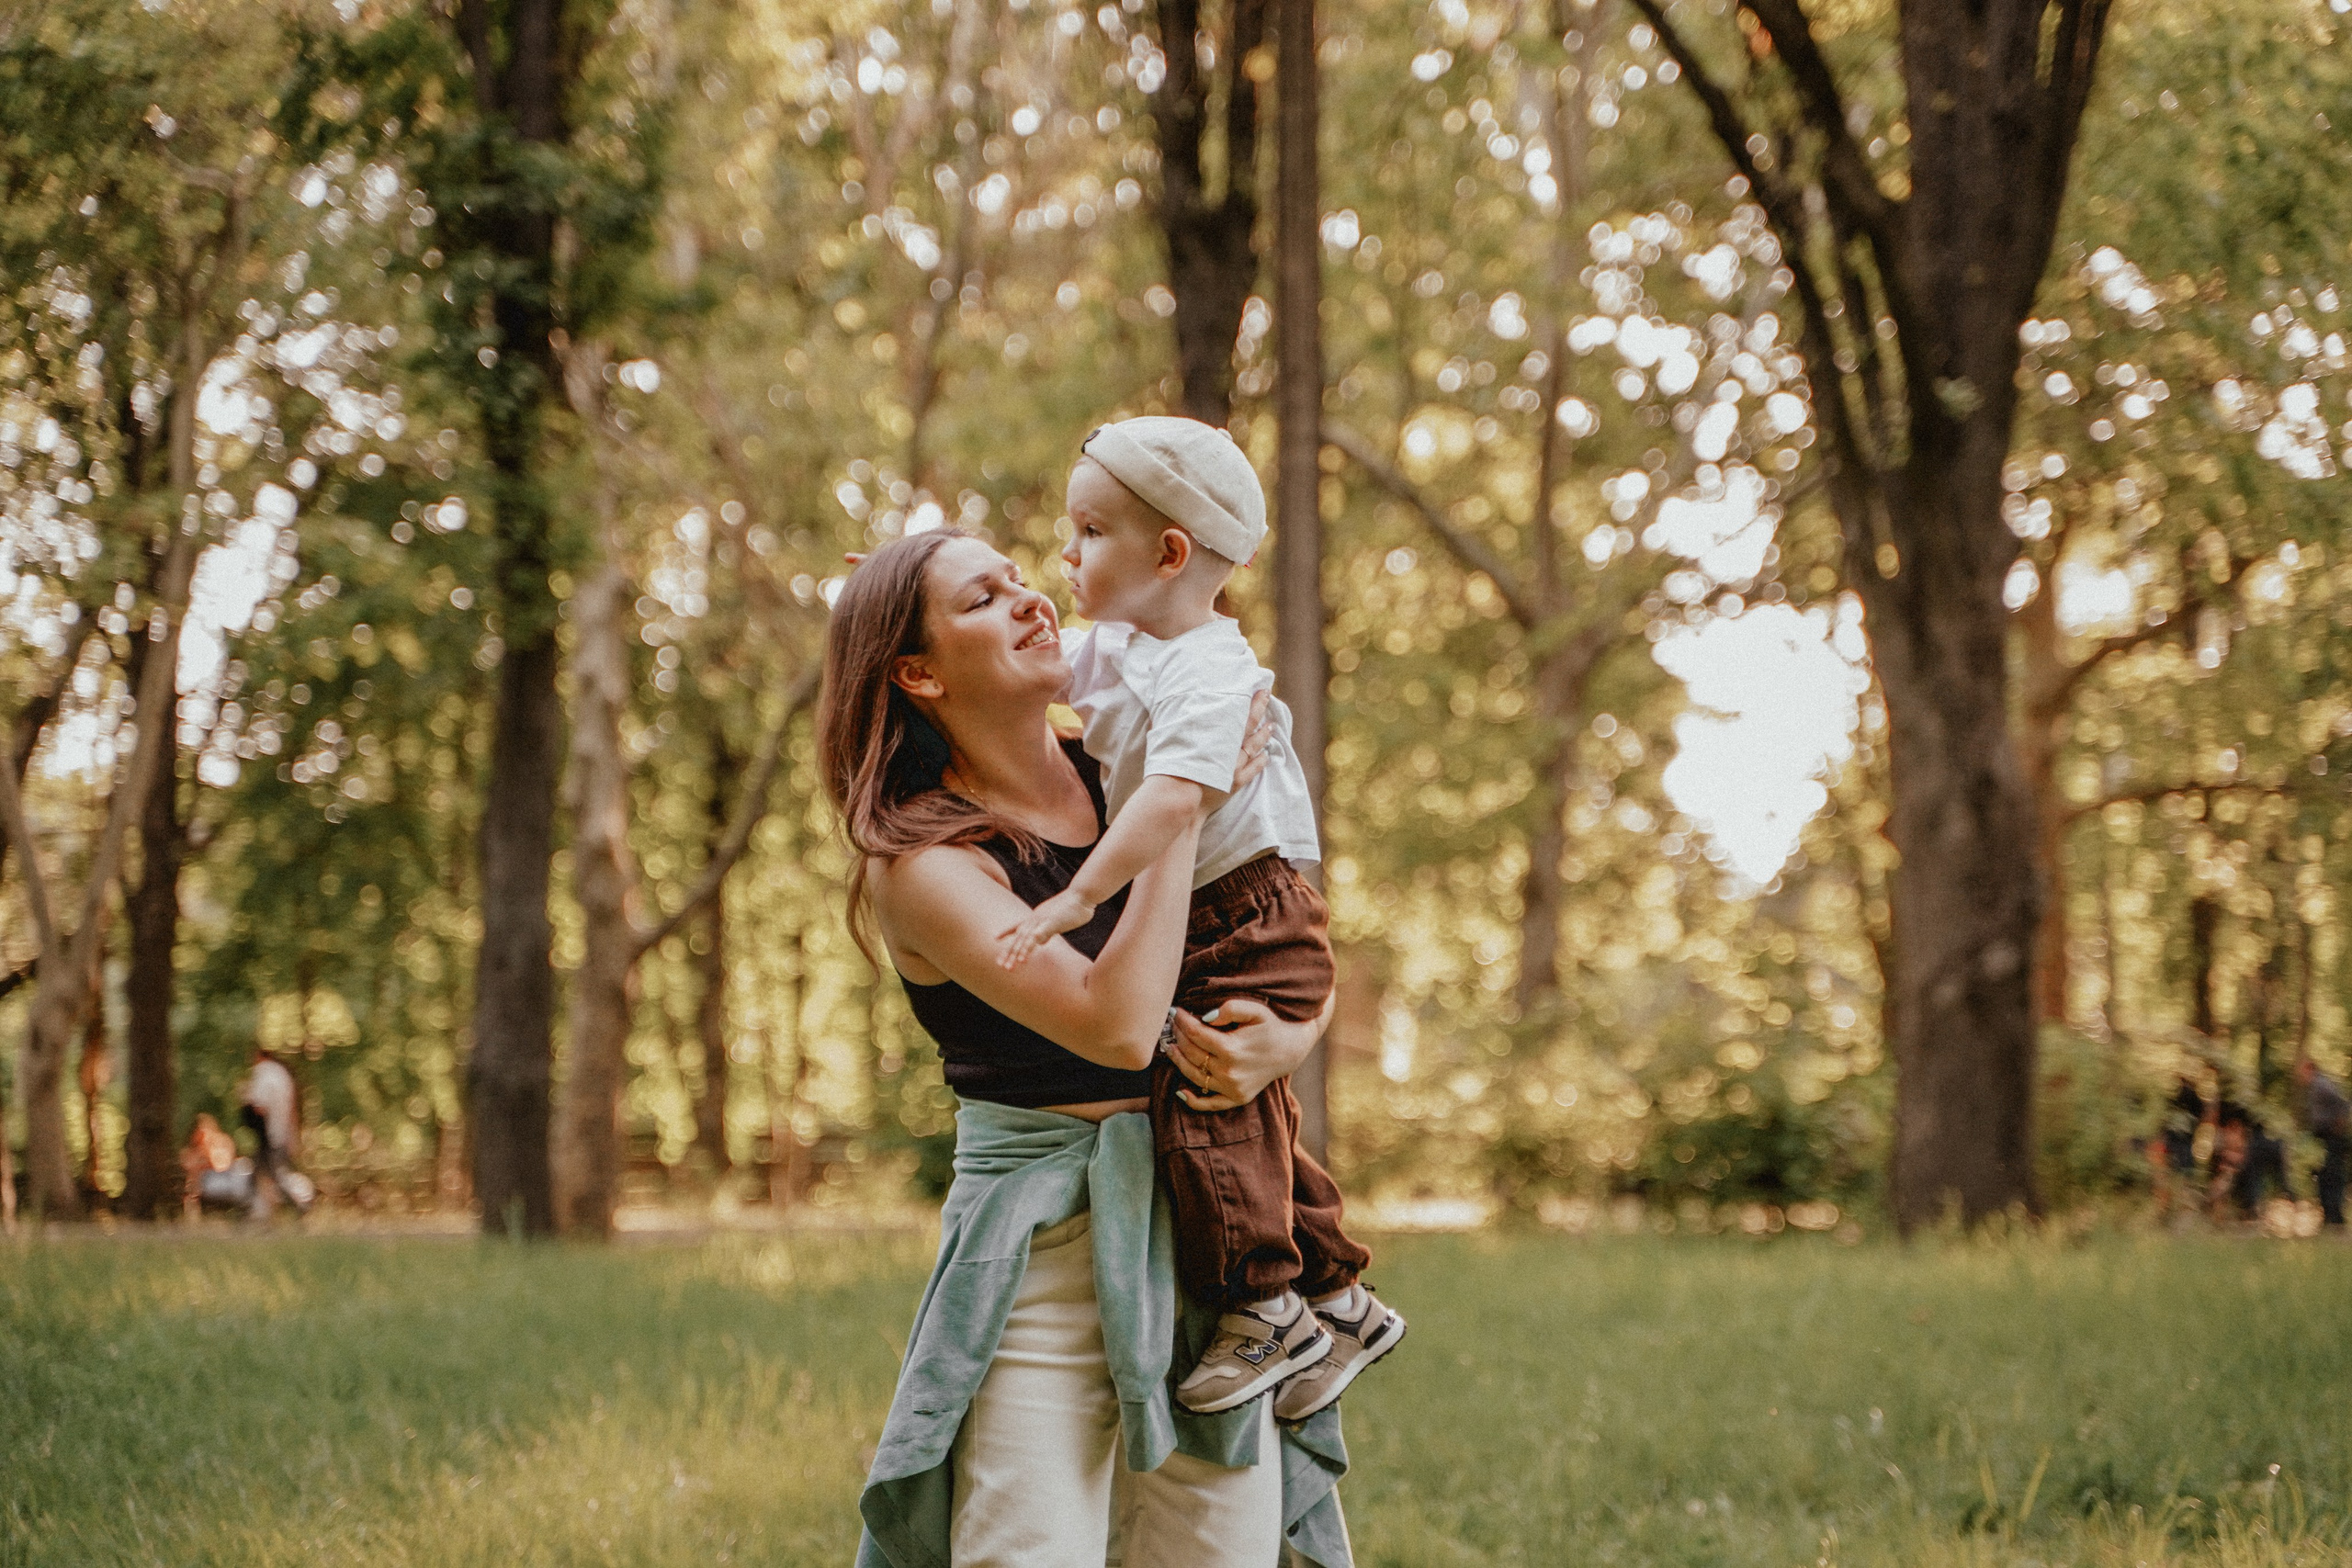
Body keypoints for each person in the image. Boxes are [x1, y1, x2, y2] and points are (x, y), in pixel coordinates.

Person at [824, 529, 1351, 1568]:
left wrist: (1289, 1036)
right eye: (982, 599)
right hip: (1041, 1247)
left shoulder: (1122, 762)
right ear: (919, 672)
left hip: (1207, 1215)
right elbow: (1114, 1026)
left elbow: (1280, 933)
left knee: (1215, 1552)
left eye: (1019, 580)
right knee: (1025, 1549)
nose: (1030, 599)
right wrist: (1182, 809)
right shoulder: (924, 862)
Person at [999, 417, 1400, 1420]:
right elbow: (1025, 668)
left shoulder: (1211, 672)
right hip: (1215, 906)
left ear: (1170, 554)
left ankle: (1264, 1305)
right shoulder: (1122, 645)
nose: (1065, 553)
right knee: (1247, 1111)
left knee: (1202, 1100)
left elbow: (1175, 801)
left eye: (1089, 532)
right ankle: (1341, 1299)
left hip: (1250, 907)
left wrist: (1082, 894)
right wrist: (895, 604)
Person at [239, 1049, 312, 1217]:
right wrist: (292, 1134)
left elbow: (259, 1106)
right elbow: (291, 1109)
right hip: (280, 1133)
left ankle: (300, 1204)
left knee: (276, 1175)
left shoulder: (264, 1072)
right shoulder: (283, 1075)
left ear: (260, 1056)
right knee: (259, 1172)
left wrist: (246, 1106)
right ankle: (253, 1210)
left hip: (268, 1135)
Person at [2296, 1057, 2349, 1229]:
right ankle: (2329, 1216)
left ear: (2309, 1069)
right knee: (2324, 1177)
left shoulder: (2322, 1084)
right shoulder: (2315, 1086)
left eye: (2302, 1071)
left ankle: (2335, 1217)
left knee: (2332, 1176)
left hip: (2332, 1138)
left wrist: (2338, 1126)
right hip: (2323, 1138)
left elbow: (2342, 1104)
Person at [180, 1112, 243, 1218]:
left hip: (223, 1178)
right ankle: (192, 1215)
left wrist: (207, 1156)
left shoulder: (221, 1142)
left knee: (195, 1179)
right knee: (192, 1179)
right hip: (202, 1181)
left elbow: (223, 1164)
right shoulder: (193, 1150)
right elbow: (187, 1164)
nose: (202, 1137)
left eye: (204, 1133)